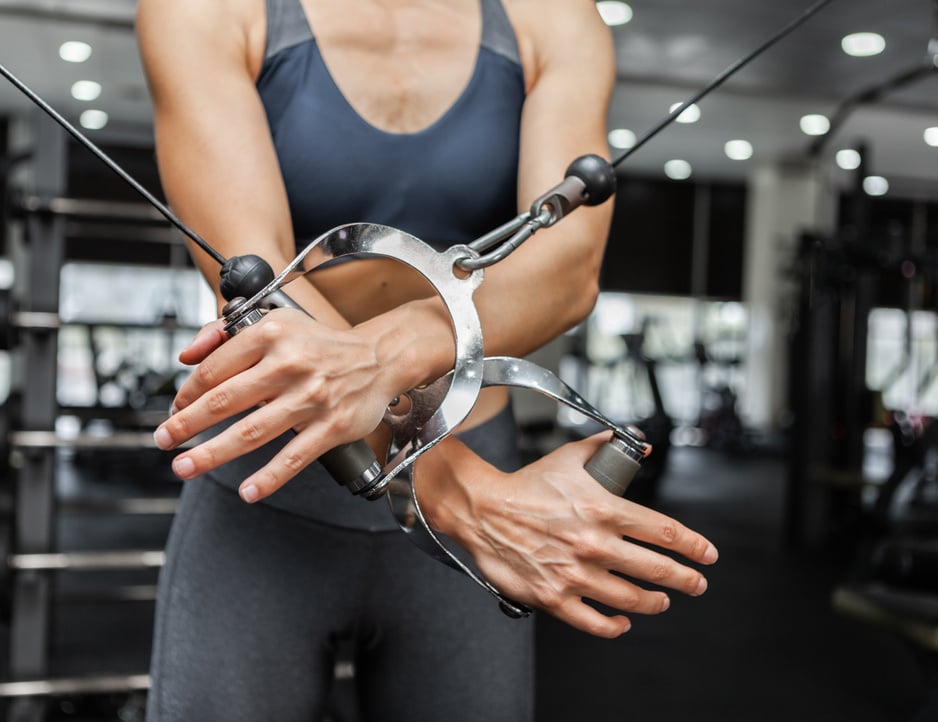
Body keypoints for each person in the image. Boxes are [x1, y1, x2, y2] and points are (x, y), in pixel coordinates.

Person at [136, 0, 718, 718]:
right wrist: (458, 491)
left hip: (477, 454)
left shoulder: (553, 17)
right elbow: (254, 283)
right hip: (272, 484)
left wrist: (389, 349)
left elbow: (565, 270)